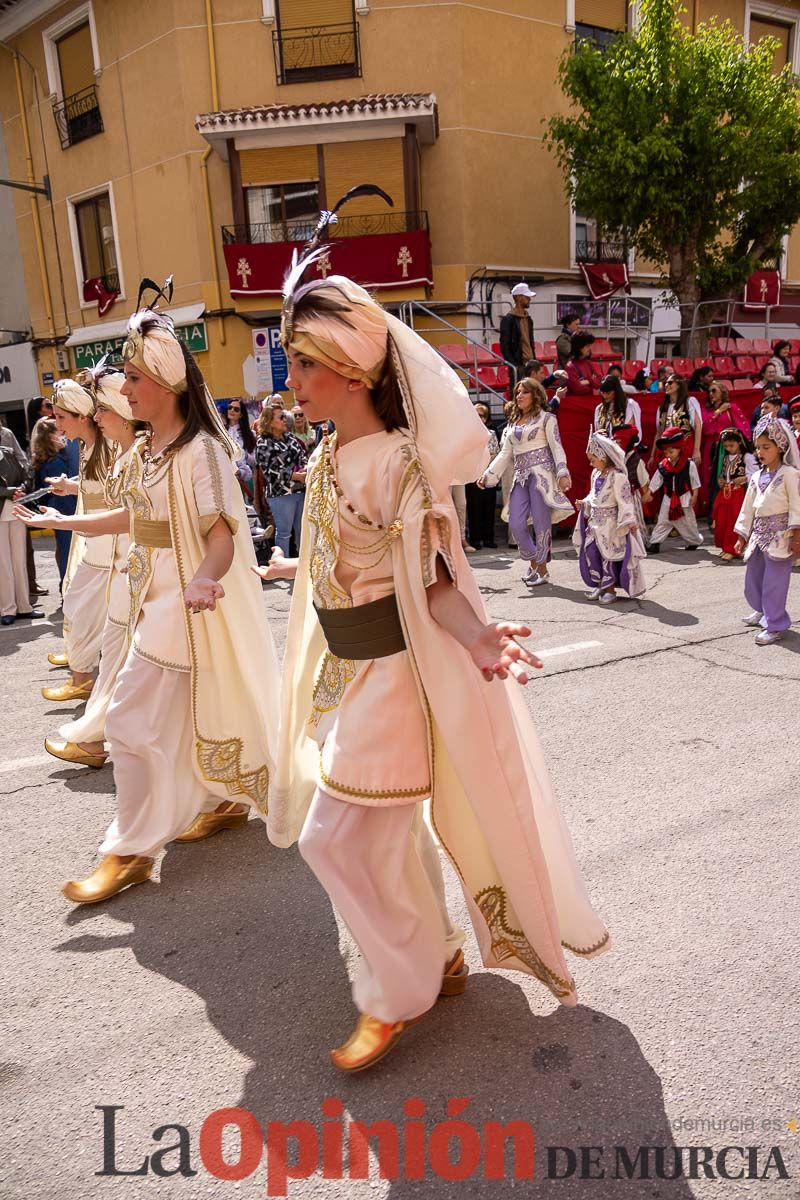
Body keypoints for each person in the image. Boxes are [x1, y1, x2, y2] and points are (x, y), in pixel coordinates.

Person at [260, 240, 609, 1073]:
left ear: (348, 370)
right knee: (379, 838)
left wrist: (480, 636)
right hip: (345, 680)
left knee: (333, 840)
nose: (292, 379)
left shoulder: (398, 464)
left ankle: (400, 989)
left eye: (304, 362)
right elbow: (337, 560)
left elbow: (438, 577)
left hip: (391, 685)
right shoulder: (322, 456)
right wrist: (285, 567)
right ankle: (438, 952)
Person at [16, 287, 280, 902]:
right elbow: (131, 522)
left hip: (184, 613)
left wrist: (205, 578)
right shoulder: (144, 452)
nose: (125, 390)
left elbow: (222, 537)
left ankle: (129, 851)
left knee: (131, 720)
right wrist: (61, 523)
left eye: (133, 377)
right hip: (154, 607)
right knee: (185, 717)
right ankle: (225, 801)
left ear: (165, 382)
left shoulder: (203, 451)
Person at [44, 365, 141, 769]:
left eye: (102, 410)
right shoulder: (115, 450)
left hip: (128, 564)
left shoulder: (134, 452)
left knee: (130, 660)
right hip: (122, 561)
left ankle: (98, 734)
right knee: (121, 655)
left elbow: (128, 514)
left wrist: (64, 521)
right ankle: (97, 734)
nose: (97, 420)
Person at [38, 379, 114, 696]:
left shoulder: (109, 447)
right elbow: (92, 485)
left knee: (84, 609)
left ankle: (84, 679)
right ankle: (82, 677)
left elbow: (118, 501)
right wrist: (69, 487)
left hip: (111, 546)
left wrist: (65, 521)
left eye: (61, 417)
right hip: (97, 543)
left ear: (82, 417)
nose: (57, 424)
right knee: (77, 606)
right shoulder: (86, 447)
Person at [479, 378, 573, 586]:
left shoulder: (547, 419)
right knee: (516, 524)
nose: (519, 396)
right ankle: (533, 562)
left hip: (542, 478)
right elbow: (505, 454)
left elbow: (557, 447)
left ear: (535, 395)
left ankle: (542, 569)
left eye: (524, 392)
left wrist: (562, 472)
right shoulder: (512, 424)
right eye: (517, 393)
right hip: (520, 478)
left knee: (541, 525)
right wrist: (488, 475)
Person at [734, 416, 800, 645]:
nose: (760, 452)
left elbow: (797, 506)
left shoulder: (790, 474)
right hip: (758, 536)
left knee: (775, 582)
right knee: (753, 577)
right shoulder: (755, 477)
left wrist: (797, 536)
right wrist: (742, 534)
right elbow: (747, 508)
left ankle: (775, 624)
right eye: (757, 447)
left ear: (780, 447)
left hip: (782, 538)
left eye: (766, 447)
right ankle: (762, 610)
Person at [573, 431, 646, 604]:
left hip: (611, 525)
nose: (590, 464)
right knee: (591, 552)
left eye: (593, 459)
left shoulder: (618, 477)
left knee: (608, 557)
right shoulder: (596, 475)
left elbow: (625, 501)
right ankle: (599, 584)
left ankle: (610, 589)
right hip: (594, 524)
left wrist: (629, 521)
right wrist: (584, 503)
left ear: (603, 457)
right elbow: (594, 495)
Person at [0, 419, 44, 626]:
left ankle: (25, 606)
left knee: (19, 560)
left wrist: (24, 487)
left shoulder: (6, 434)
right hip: (4, 505)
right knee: (3, 564)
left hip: (16, 505)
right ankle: (7, 609)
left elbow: (24, 462)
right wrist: (8, 492)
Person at [29, 418, 79, 589]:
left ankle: (65, 585)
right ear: (51, 436)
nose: (63, 433)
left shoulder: (51, 457)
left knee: (64, 548)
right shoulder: (56, 461)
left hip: (60, 505)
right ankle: (67, 586)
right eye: (59, 430)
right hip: (65, 506)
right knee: (68, 550)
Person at [254, 401, 308, 557]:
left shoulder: (289, 437)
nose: (285, 420)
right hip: (280, 495)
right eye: (281, 417)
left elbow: (301, 456)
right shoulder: (263, 442)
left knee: (302, 531)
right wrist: (296, 476)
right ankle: (281, 565)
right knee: (284, 533)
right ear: (270, 421)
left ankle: (302, 564)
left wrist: (304, 468)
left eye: (285, 416)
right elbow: (270, 472)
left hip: (299, 490)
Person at [647, 427, 703, 552]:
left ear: (679, 449)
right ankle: (655, 543)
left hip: (684, 498)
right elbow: (657, 479)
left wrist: (694, 496)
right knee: (663, 520)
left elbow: (695, 482)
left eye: (671, 452)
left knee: (688, 522)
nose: (668, 455)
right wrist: (650, 491)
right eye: (666, 452)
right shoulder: (663, 465)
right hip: (668, 498)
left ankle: (694, 541)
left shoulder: (689, 464)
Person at [699, 381, 750, 512]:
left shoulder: (731, 408)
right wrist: (718, 411)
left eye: (714, 390)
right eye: (709, 391)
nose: (711, 394)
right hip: (712, 447)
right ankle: (713, 510)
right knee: (711, 476)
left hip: (729, 448)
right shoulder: (706, 410)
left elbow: (742, 428)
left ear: (722, 391)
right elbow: (705, 428)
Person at [711, 428, 757, 561]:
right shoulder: (724, 458)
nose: (728, 448)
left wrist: (743, 479)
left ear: (740, 442)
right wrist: (720, 479)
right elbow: (723, 473)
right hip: (725, 493)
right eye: (726, 446)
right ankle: (725, 547)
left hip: (738, 494)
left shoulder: (747, 457)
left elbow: (755, 474)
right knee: (722, 520)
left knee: (733, 520)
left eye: (731, 445)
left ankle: (733, 549)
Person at [465, 403, 499, 550]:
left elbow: (496, 453)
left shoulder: (491, 433)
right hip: (472, 475)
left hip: (488, 475)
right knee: (474, 508)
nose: (479, 418)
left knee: (489, 508)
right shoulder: (467, 434)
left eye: (482, 415)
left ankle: (488, 538)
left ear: (486, 419)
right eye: (476, 415)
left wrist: (489, 473)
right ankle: (475, 539)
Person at [611, 422, 650, 545]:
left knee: (636, 517)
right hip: (618, 495)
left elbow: (643, 479)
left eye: (619, 442)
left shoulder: (636, 460)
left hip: (632, 495)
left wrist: (646, 493)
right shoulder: (616, 458)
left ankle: (642, 541)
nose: (617, 445)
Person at [655, 375, 702, 465]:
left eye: (670, 382)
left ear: (679, 385)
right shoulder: (662, 408)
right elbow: (659, 433)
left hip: (685, 447)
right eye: (665, 383)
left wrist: (696, 450)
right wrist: (653, 455)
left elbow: (698, 426)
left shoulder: (689, 402)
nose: (666, 385)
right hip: (666, 449)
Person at [219, 397, 257, 501]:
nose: (232, 410)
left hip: (242, 479)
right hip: (223, 479)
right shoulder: (220, 432)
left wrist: (240, 469)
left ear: (241, 414)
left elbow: (253, 461)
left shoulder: (249, 434)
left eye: (236, 409)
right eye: (230, 408)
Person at [499, 283, 536, 384]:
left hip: (530, 363)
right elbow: (504, 345)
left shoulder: (528, 319)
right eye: (527, 297)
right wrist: (513, 364)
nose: (529, 299)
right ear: (519, 297)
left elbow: (530, 341)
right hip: (518, 364)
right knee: (518, 393)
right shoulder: (508, 319)